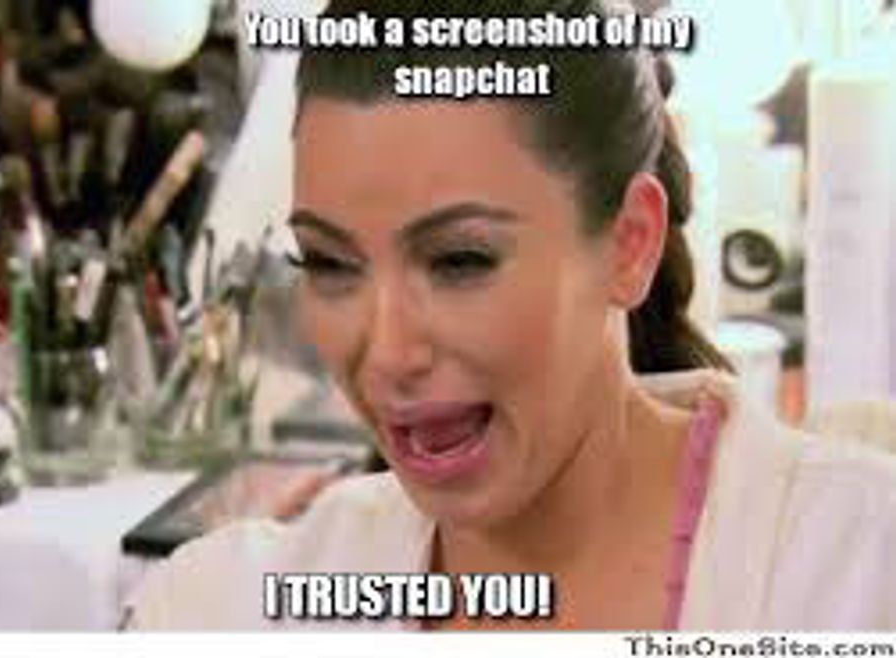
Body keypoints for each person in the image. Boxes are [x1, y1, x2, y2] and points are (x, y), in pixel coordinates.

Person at [128, 0, 896, 630]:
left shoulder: (858, 579)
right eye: (329, 263)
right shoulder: (224, 610)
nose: (387, 353)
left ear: (630, 244)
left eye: (460, 261)